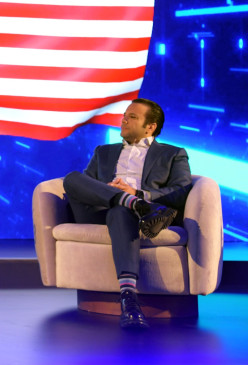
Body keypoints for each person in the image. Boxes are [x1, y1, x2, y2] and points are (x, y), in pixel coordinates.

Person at [62, 98, 192, 330]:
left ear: (150, 126)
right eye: (124, 115)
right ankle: (132, 203)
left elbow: (181, 190)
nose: (124, 119)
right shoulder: (103, 151)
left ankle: (129, 299)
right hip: (97, 212)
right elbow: (85, 187)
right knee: (72, 178)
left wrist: (138, 193)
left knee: (121, 211)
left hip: (132, 217)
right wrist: (109, 191)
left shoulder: (173, 154)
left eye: (132, 116)